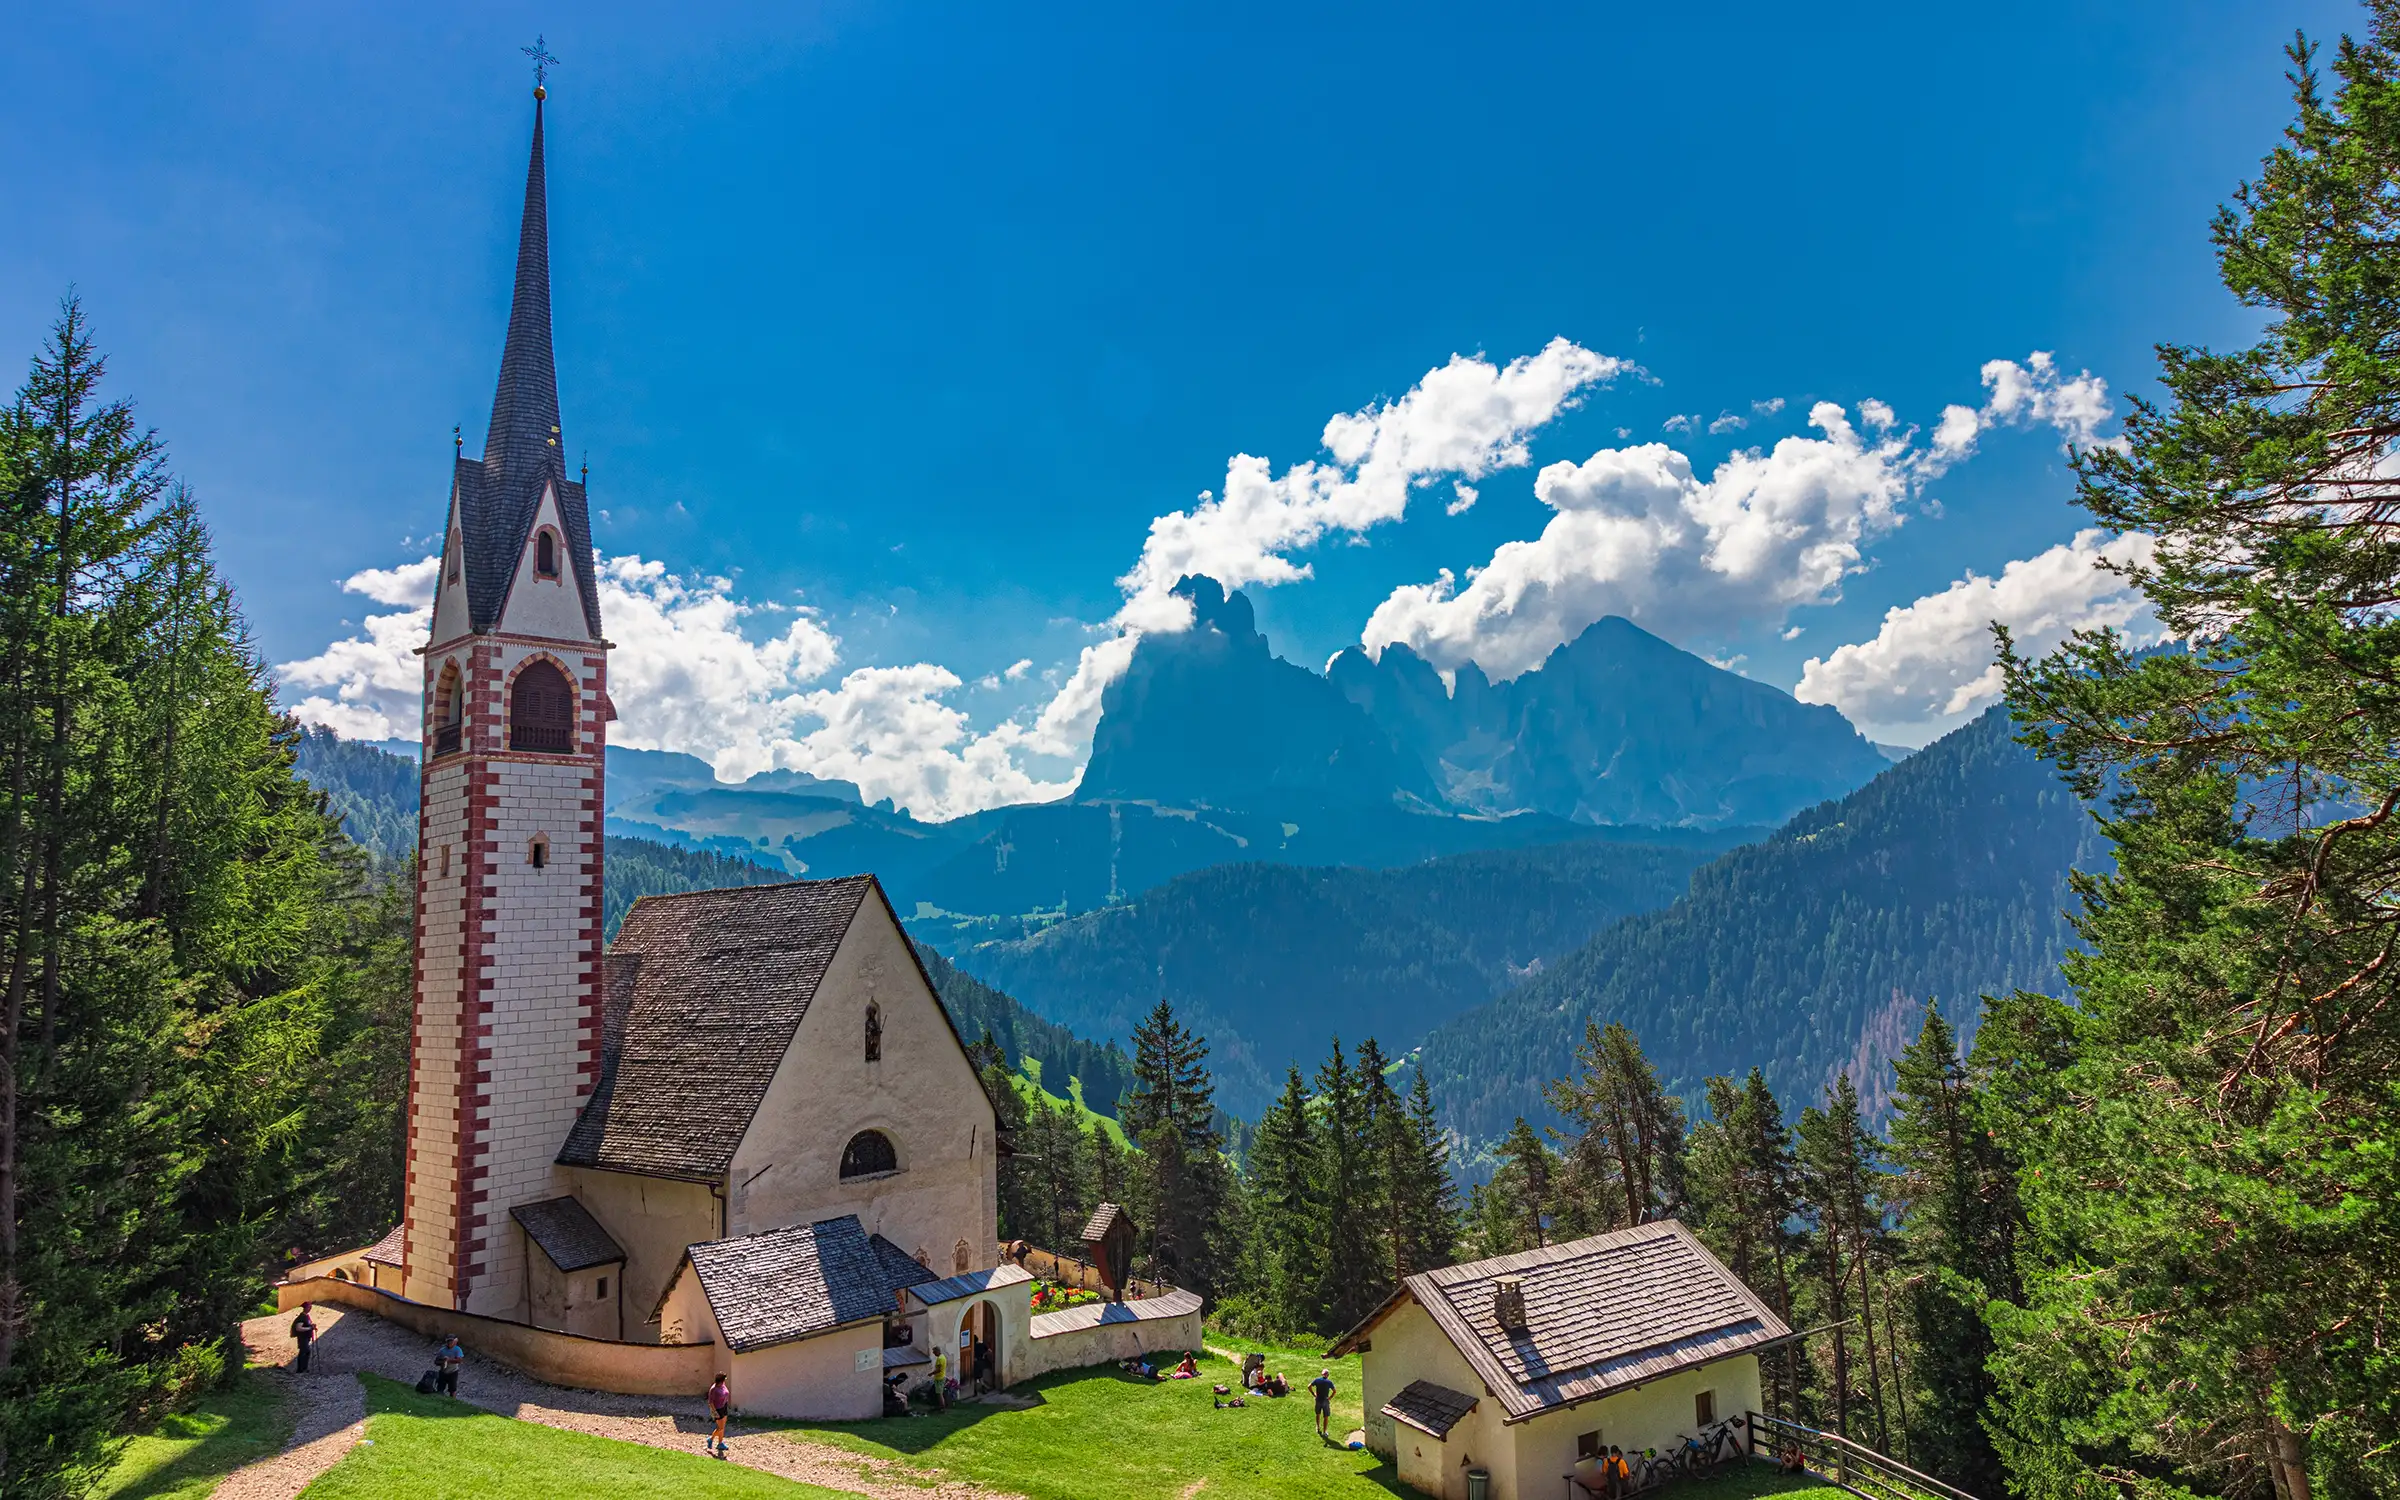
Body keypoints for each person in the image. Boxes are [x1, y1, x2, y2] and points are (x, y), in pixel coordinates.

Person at [706, 1373, 733, 1458]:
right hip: (717, 1409)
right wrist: (714, 1412)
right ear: (721, 1380)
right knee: (720, 1428)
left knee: (723, 1427)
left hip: (724, 1407)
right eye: (724, 1379)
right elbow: (710, 1402)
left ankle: (720, 1443)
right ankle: (710, 1439)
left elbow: (726, 1393)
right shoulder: (714, 1389)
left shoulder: (723, 1386)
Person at [289, 1303, 317, 1375]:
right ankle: (300, 1370)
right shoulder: (302, 1317)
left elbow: (306, 1324)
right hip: (302, 1338)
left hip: (306, 1338)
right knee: (304, 1352)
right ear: (305, 1308)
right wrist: (310, 1328)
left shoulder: (306, 1316)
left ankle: (303, 1368)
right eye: (309, 1307)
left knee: (306, 1352)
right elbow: (298, 1328)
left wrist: (312, 1326)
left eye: (310, 1307)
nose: (310, 1308)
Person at [1309, 1368, 1335, 1439]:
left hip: (1318, 1400)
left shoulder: (1317, 1380)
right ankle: (1324, 1431)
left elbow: (1309, 1386)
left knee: (1318, 1414)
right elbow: (1334, 1391)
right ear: (1328, 1375)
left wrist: (1313, 1394)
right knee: (1326, 1416)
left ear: (1322, 1374)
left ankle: (1317, 1427)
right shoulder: (1329, 1382)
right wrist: (1329, 1398)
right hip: (1325, 1401)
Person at [932, 1346, 949, 1410]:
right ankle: (942, 1406)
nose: (934, 1353)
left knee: (939, 1394)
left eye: (934, 1352)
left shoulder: (940, 1359)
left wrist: (931, 1373)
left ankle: (942, 1407)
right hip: (942, 1376)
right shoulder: (943, 1357)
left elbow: (938, 1370)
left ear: (937, 1351)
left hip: (939, 1378)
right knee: (940, 1393)